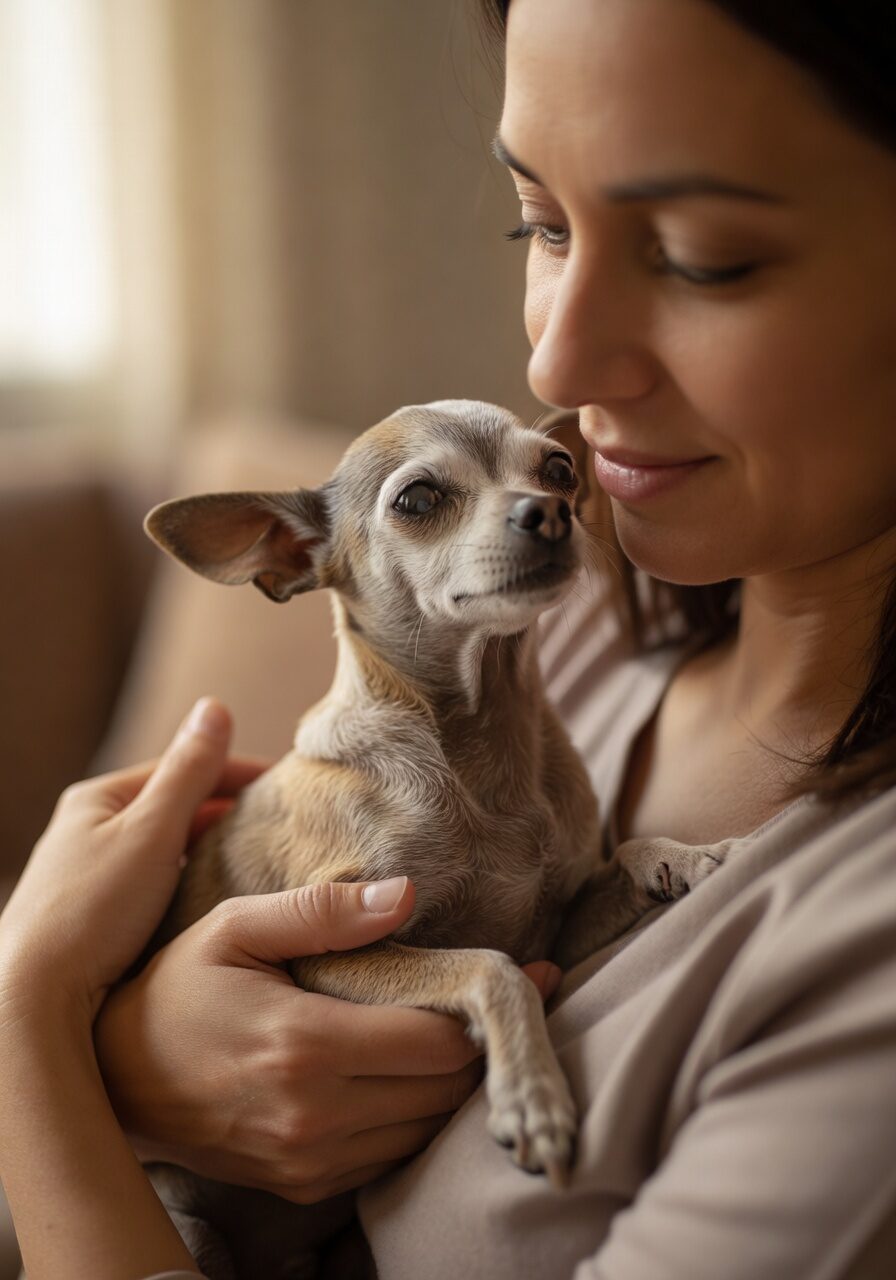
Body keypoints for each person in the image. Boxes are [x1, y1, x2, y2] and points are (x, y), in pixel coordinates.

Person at [2, 0, 895, 1275]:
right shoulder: (578, 620)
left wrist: (32, 1035)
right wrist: (136, 1056)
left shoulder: (859, 958)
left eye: (700, 255)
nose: (559, 355)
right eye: (540, 222)